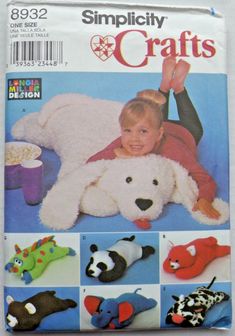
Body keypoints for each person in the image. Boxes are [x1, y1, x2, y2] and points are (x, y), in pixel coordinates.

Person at [87, 57, 221, 228]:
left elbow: (204, 179)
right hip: (157, 124)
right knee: (152, 116)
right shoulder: (126, 141)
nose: (134, 139)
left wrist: (204, 199)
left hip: (184, 132)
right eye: (127, 130)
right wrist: (118, 152)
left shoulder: (174, 149)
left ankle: (178, 88)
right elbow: (91, 163)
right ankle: (165, 85)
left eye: (141, 132)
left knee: (195, 128)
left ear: (159, 135)